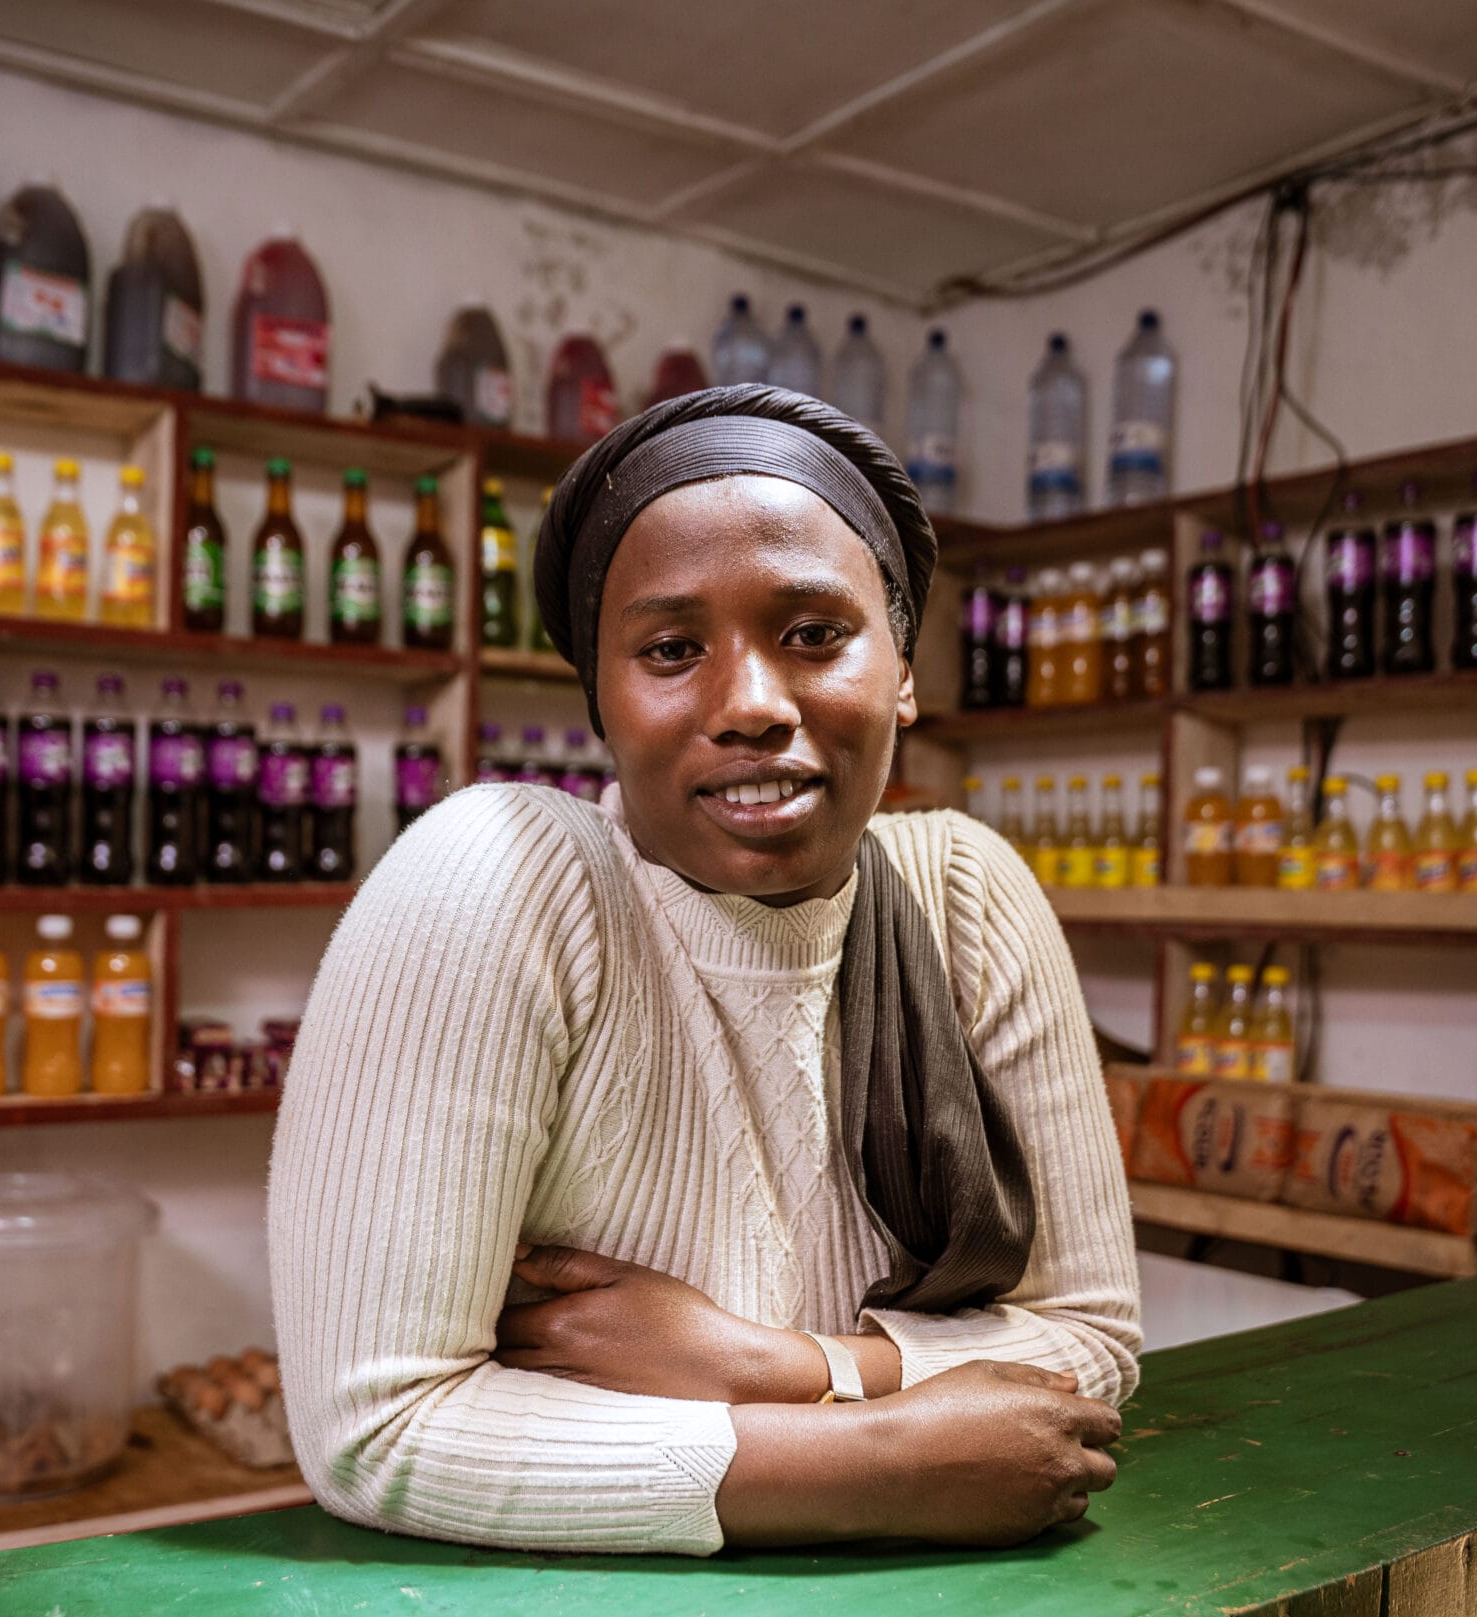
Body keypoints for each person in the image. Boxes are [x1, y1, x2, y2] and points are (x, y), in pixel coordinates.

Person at [271, 385, 1140, 1554]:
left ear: (904, 670)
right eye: (671, 649)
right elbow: (381, 1431)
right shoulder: (503, 885)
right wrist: (882, 1457)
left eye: (815, 634)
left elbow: (1087, 1336)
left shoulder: (964, 898)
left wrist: (764, 1366)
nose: (749, 705)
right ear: (600, 699)